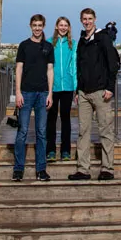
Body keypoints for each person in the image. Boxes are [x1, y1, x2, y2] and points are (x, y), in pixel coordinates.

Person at [69, 8, 120, 181]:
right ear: (81, 20)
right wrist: (78, 90)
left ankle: (107, 168)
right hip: (83, 93)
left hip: (100, 91)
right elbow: (79, 66)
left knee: (105, 130)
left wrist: (110, 87)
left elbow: (112, 63)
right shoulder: (82, 41)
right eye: (84, 19)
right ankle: (83, 169)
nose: (87, 21)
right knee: (83, 131)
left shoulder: (103, 38)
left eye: (90, 18)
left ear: (95, 19)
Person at [13, 14, 54, 182]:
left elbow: (50, 70)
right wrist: (18, 92)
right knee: (22, 131)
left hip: (42, 93)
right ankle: (18, 169)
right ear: (30, 26)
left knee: (41, 132)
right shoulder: (24, 45)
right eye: (34, 25)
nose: (37, 28)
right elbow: (18, 68)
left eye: (40, 25)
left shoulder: (48, 46)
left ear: (43, 26)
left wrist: (50, 93)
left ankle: (41, 169)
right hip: (26, 92)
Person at [46, 16, 77, 163]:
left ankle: (66, 150)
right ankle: (50, 150)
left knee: (66, 118)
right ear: (57, 26)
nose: (63, 27)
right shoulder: (49, 43)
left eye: (66, 25)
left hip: (68, 86)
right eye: (61, 25)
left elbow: (75, 66)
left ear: (69, 27)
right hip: (53, 86)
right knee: (51, 119)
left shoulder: (73, 44)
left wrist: (76, 87)